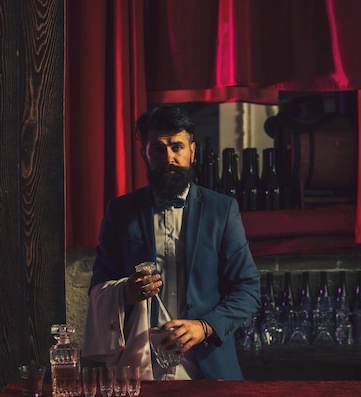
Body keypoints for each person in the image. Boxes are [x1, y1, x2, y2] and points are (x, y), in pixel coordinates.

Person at [82, 105, 261, 381]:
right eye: (158, 149)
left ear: (192, 151)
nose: (169, 158)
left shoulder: (222, 210)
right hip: (139, 371)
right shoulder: (120, 212)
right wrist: (125, 293)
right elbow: (99, 286)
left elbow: (248, 290)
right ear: (145, 154)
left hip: (208, 371)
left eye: (177, 147)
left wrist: (205, 326)